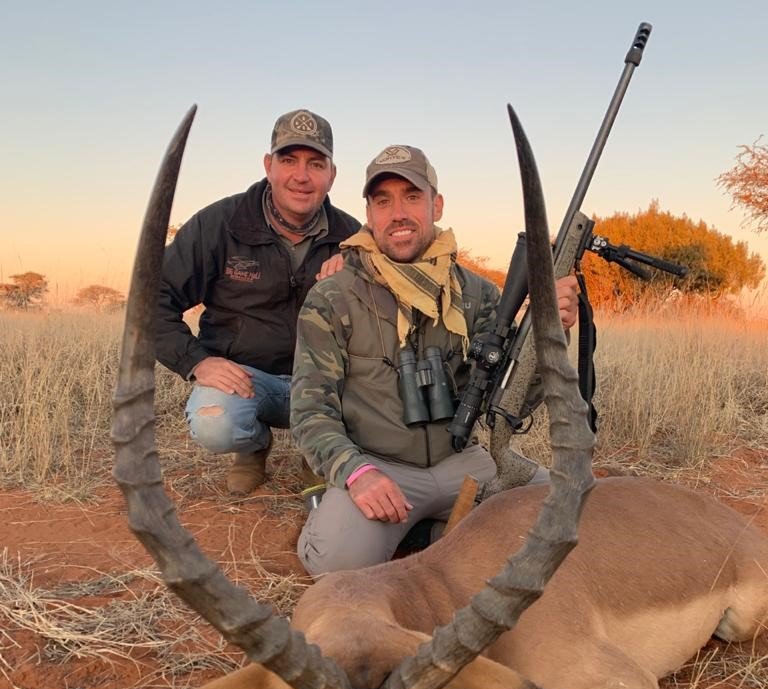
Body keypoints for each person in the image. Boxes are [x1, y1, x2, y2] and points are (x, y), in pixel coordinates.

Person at [291, 144, 579, 576]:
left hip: (463, 461)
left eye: (412, 196)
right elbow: (311, 410)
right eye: (383, 201)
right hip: (379, 467)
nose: (398, 213)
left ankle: (427, 531)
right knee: (335, 563)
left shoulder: (478, 294)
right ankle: (429, 528)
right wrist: (355, 472)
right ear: (368, 214)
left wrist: (549, 338)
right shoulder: (332, 297)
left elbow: (514, 401)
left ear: (436, 204)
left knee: (568, 518)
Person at [155, 109, 361, 495]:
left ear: (332, 174)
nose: (301, 176)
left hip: (325, 384)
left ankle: (318, 451)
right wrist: (196, 361)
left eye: (316, 164)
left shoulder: (355, 239)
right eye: (289, 160)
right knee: (215, 423)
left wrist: (353, 283)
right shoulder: (218, 223)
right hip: (249, 380)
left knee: (377, 400)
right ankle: (252, 447)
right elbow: (153, 301)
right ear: (269, 165)